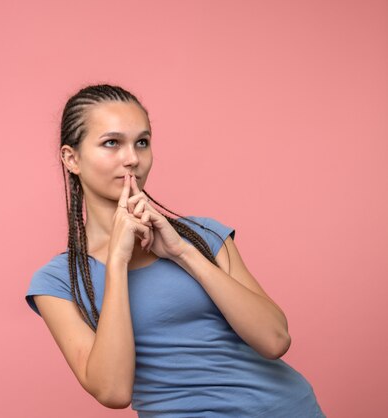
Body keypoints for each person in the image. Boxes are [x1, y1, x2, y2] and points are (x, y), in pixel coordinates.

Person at [24, 84, 326, 417]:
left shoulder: (203, 236)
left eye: (142, 142)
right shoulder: (58, 281)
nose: (132, 158)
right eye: (112, 143)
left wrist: (183, 253)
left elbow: (275, 340)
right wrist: (117, 261)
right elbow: (112, 390)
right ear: (72, 159)